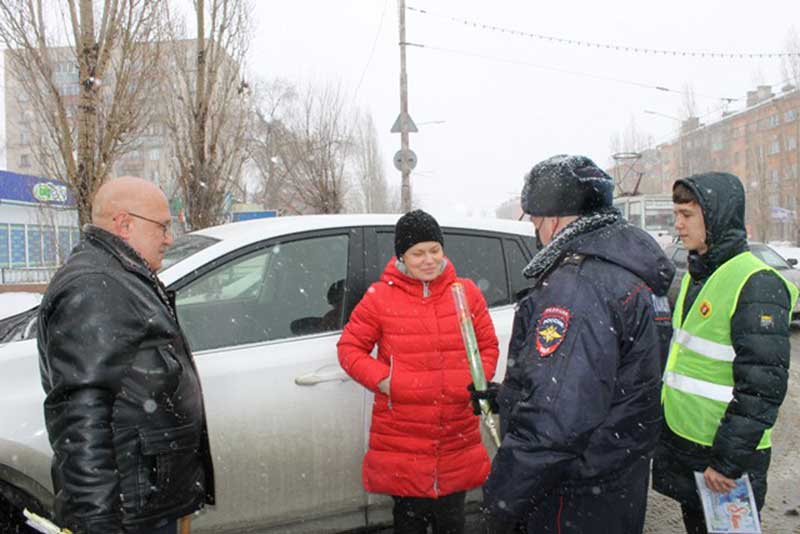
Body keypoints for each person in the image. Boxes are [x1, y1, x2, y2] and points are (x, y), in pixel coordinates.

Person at [480, 155, 675, 534]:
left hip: (572, 498)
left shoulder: (577, 286)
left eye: (535, 221)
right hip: (616, 483)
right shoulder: (630, 273)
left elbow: (555, 422)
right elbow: (610, 384)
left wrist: (502, 499)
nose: (536, 232)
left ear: (552, 220)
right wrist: (507, 396)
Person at [37, 177, 215, 534]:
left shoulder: (121, 276)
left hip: (144, 502)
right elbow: (81, 415)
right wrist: (98, 522)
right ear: (124, 223)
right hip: (129, 514)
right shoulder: (96, 286)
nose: (169, 238)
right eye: (163, 226)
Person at [337, 209, 499, 534]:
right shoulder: (380, 298)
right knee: (409, 520)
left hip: (456, 430)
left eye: (434, 250)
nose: (428, 260)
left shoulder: (465, 294)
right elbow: (349, 349)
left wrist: (474, 383)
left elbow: (487, 347)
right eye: (418, 253)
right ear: (402, 256)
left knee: (452, 519)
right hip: (403, 434)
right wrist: (385, 380)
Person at [652, 172, 797, 534]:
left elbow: (762, 388)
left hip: (724, 459)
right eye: (676, 214)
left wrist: (727, 462)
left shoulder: (756, 283)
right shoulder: (696, 274)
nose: (678, 225)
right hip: (692, 444)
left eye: (687, 215)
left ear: (715, 217)